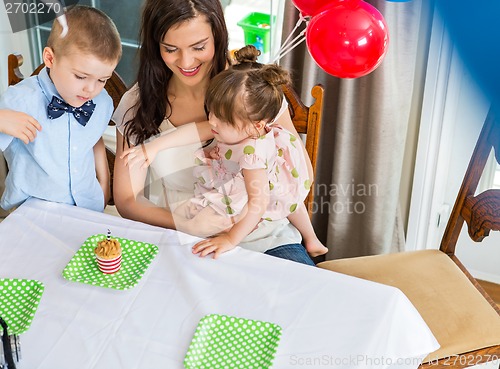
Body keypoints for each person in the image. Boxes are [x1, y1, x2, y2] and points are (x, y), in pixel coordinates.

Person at [112, 0, 317, 265]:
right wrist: (188, 225)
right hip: (187, 241)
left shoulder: (251, 92)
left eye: (199, 47)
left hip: (266, 241)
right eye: (171, 49)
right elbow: (128, 201)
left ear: (218, 36)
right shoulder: (139, 103)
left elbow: (303, 174)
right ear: (156, 46)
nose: (186, 61)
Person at [122, 63, 328, 259]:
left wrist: (231, 238)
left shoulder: (252, 155)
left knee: (286, 197)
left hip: (266, 192)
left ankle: (311, 239)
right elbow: (193, 131)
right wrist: (154, 146)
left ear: (256, 126)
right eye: (211, 111)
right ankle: (311, 239)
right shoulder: (236, 125)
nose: (211, 120)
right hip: (260, 182)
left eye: (220, 118)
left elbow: (259, 203)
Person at [0, 5, 122, 212]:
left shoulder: (102, 101)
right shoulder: (19, 101)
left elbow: (93, 139)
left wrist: (104, 185)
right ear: (50, 58)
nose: (91, 89)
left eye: (102, 79)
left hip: (88, 206)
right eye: (81, 77)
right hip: (32, 211)